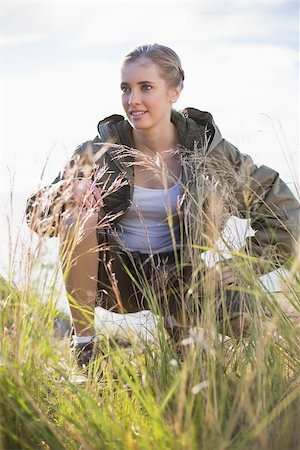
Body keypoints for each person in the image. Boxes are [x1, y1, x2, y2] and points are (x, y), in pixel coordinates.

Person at [26, 43, 299, 368]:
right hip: (112, 279)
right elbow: (36, 217)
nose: (133, 100)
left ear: (174, 91)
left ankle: (181, 339)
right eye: (126, 88)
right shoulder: (99, 152)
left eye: (146, 87)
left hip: (181, 278)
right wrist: (66, 191)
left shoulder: (212, 155)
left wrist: (240, 267)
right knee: (77, 217)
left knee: (252, 320)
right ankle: (84, 348)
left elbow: (287, 220)